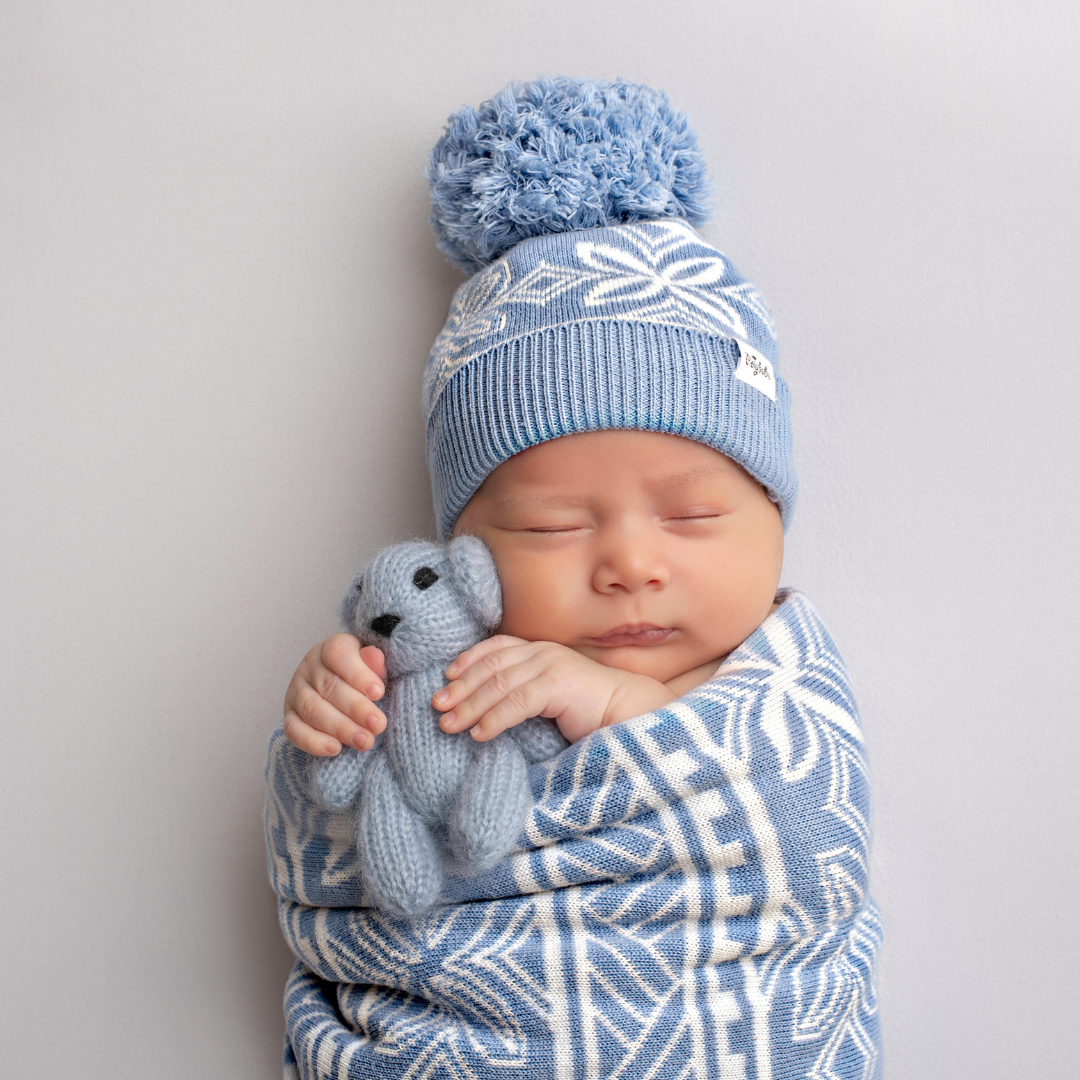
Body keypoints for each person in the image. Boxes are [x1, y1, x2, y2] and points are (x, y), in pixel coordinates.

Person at [267, 75, 881, 1079]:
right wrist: (334, 722)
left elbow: (801, 828)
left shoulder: (775, 707)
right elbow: (355, 842)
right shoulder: (445, 683)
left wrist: (615, 702)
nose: (633, 566)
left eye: (693, 515)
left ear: (776, 518)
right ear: (462, 553)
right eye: (552, 525)